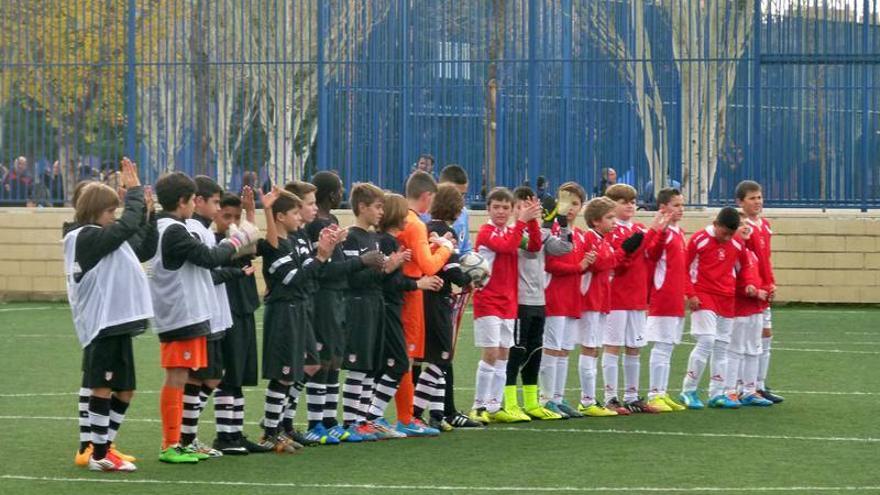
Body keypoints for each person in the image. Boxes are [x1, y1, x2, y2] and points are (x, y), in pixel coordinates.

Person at [147, 171, 257, 464]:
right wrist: (238, 240)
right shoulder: (173, 229)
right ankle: (172, 443)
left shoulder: (168, 226)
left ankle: (182, 441)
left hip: (188, 312)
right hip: (180, 312)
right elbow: (209, 259)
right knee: (178, 376)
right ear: (186, 201)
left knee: (187, 376)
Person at [64, 159, 156, 472]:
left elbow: (141, 246)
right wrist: (132, 193)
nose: (113, 218)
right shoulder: (86, 237)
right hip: (102, 325)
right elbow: (126, 227)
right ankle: (98, 453)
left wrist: (147, 211)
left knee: (126, 388)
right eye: (109, 212)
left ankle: (105, 447)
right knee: (101, 386)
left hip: (118, 322)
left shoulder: (106, 237)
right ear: (93, 212)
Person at [302, 172, 384, 444]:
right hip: (325, 298)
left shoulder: (332, 222)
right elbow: (326, 270)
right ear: (332, 194)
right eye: (338, 189)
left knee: (335, 361)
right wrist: (362, 261)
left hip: (338, 300)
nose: (341, 194)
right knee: (322, 361)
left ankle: (328, 420)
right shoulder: (317, 226)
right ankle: (315, 423)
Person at [256, 187, 337, 451]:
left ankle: (280, 426)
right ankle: (270, 432)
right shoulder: (276, 246)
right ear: (280, 217)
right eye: (295, 212)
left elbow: (305, 273)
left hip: (298, 308)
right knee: (284, 375)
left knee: (302, 369)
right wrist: (321, 256)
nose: (300, 217)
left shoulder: (290, 240)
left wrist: (323, 253)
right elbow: (292, 278)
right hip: (284, 312)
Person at [365, 193, 441, 438]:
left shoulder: (387, 241)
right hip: (388, 308)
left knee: (392, 364)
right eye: (403, 215)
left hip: (388, 307)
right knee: (398, 363)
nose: (408, 221)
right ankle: (374, 416)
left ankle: (373, 417)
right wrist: (417, 283)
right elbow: (391, 280)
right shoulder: (386, 242)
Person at [468, 187, 542, 424]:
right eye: (496, 207)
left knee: (504, 353)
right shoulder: (486, 232)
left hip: (508, 301)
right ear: (488, 209)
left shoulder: (512, 230)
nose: (500, 211)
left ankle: (494, 404)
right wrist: (522, 222)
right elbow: (508, 247)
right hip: (488, 300)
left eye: (505, 207)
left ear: (511, 210)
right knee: (490, 352)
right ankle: (478, 406)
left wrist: (533, 222)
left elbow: (533, 247)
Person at [504, 185, 573, 421]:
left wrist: (562, 222)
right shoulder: (514, 232)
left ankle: (532, 403)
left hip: (538, 300)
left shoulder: (541, 233)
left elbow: (565, 247)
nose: (528, 210)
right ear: (514, 209)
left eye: (532, 205)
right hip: (520, 300)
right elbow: (531, 249)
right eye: (521, 206)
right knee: (517, 351)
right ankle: (510, 403)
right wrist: (530, 221)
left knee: (534, 352)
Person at [210, 189, 271, 454]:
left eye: (236, 217)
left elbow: (252, 244)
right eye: (226, 216)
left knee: (240, 373)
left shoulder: (238, 238)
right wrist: (243, 223)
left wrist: (250, 213)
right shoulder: (215, 243)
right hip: (227, 311)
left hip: (245, 308)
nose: (232, 222)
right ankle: (224, 435)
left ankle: (235, 434)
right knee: (229, 374)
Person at [679, 207, 757, 410]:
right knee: (706, 340)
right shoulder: (699, 239)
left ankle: (717, 393)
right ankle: (688, 390)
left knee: (722, 346)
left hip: (727, 297)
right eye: (724, 233)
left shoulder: (737, 243)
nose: (727, 238)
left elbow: (745, 265)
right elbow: (684, 268)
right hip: (704, 294)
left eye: (731, 234)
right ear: (716, 225)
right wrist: (691, 293)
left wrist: (748, 282)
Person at [179, 176, 235, 459]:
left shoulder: (203, 229)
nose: (217, 208)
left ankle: (187, 434)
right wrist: (236, 249)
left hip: (212, 313)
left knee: (210, 376)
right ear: (197, 201)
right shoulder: (191, 229)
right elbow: (207, 269)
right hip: (200, 313)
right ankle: (184, 436)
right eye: (214, 202)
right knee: (202, 377)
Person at [395, 171, 454, 435]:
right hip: (409, 296)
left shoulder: (401, 219)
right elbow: (429, 267)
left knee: (405, 359)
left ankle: (404, 417)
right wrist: (445, 249)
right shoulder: (416, 224)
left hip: (400, 292)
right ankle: (406, 418)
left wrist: (430, 249)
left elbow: (415, 259)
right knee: (405, 359)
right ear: (427, 196)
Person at [601, 184, 662, 415]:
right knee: (613, 347)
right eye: (623, 201)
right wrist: (637, 242)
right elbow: (616, 263)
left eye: (633, 201)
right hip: (616, 297)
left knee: (635, 347)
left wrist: (657, 232)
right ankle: (610, 398)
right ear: (611, 205)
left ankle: (632, 396)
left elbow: (650, 254)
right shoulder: (610, 232)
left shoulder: (639, 228)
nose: (630, 205)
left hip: (637, 297)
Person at [418, 184, 473, 431]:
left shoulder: (426, 228)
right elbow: (454, 273)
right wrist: (473, 276)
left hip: (422, 299)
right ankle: (416, 412)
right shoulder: (445, 232)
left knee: (435, 357)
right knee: (440, 358)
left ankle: (437, 415)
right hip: (436, 300)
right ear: (455, 207)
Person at [540, 182, 588, 419]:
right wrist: (578, 267)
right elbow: (550, 264)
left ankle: (558, 398)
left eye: (575, 204)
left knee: (565, 349)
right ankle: (545, 398)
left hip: (572, 297)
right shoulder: (552, 232)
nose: (570, 208)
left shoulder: (579, 234)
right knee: (552, 348)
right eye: (566, 203)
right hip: (555, 296)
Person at [735, 180, 783, 404]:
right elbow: (744, 261)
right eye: (752, 198)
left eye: (759, 197)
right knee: (747, 340)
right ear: (740, 202)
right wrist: (754, 287)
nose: (757, 202)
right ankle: (741, 386)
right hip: (751, 292)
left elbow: (765, 259)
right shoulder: (742, 227)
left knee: (765, 337)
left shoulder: (764, 225)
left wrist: (771, 283)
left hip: (765, 289)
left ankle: (759, 385)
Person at [574, 197, 620, 417]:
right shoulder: (589, 238)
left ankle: (591, 398)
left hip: (601, 300)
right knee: (589, 347)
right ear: (595, 221)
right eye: (609, 217)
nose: (614, 221)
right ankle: (587, 400)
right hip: (590, 300)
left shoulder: (604, 240)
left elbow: (610, 263)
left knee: (595, 348)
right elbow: (599, 263)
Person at [643, 188, 688, 412]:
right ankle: (653, 394)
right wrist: (659, 230)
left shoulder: (679, 232)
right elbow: (650, 254)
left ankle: (662, 391)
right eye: (676, 205)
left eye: (682, 205)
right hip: (663, 297)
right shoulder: (664, 232)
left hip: (676, 297)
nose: (681, 209)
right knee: (661, 346)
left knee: (669, 346)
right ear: (663, 208)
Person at [727, 214, 774, 407]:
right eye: (740, 225)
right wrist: (753, 292)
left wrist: (765, 289)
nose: (745, 227)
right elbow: (731, 281)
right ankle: (730, 390)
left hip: (755, 307)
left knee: (754, 348)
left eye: (747, 224)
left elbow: (755, 279)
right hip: (739, 308)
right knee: (736, 349)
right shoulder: (732, 251)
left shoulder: (750, 252)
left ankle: (750, 390)